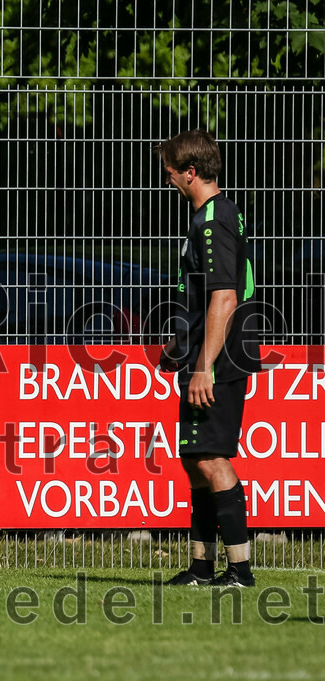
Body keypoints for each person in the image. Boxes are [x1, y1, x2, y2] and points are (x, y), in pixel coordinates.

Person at [157, 129, 261, 587]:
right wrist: (180, 344)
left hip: (217, 362)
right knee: (195, 458)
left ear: (191, 173)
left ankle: (239, 570)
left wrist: (204, 366)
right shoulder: (209, 215)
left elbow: (224, 298)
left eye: (171, 174)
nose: (169, 182)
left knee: (213, 458)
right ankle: (202, 566)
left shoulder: (214, 218)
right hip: (202, 353)